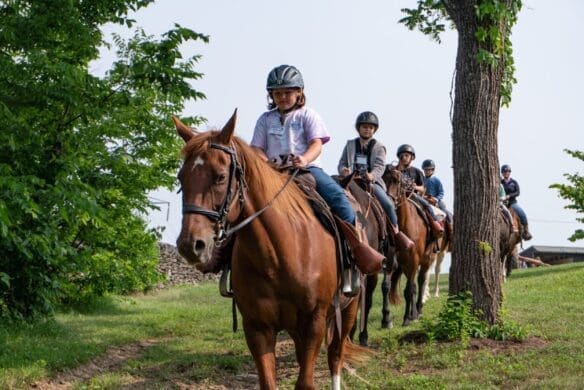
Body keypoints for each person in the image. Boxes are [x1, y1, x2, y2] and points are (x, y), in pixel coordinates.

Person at [250, 65, 384, 290]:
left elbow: (316, 143)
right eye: (277, 93)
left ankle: (353, 260)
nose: (282, 97)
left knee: (341, 203)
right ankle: (228, 264)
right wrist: (265, 163)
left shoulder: (308, 115)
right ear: (271, 95)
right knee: (242, 204)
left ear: (299, 92)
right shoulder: (265, 119)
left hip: (306, 170)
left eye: (287, 92)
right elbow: (257, 148)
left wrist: (303, 159)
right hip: (272, 173)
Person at [338, 111, 414, 250]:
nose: (367, 129)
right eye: (364, 127)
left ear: (374, 130)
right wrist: (343, 170)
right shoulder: (349, 144)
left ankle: (395, 233)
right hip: (351, 180)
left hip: (370, 182)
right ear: (358, 128)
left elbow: (380, 167)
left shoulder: (379, 147)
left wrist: (372, 175)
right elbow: (342, 162)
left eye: (371, 127)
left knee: (388, 204)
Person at [395, 144, 444, 237]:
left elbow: (423, 188)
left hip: (412, 196)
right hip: (397, 196)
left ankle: (435, 226)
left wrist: (415, 187)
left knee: (427, 205)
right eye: (402, 156)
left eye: (407, 156)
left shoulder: (417, 172)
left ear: (412, 157)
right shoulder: (395, 170)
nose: (404, 158)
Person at [501, 164, 532, 240]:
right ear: (502, 173)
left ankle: (526, 231)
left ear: (510, 172)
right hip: (502, 203)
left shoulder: (514, 182)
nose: (506, 173)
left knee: (521, 212)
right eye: (505, 171)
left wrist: (509, 196)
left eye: (508, 171)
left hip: (512, 203)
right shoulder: (500, 183)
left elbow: (518, 192)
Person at [422, 159, 453, 229]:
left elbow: (441, 192)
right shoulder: (422, 180)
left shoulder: (436, 180)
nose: (427, 171)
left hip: (436, 200)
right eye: (425, 170)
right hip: (425, 200)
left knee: (446, 212)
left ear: (432, 170)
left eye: (429, 170)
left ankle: (451, 228)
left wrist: (436, 199)